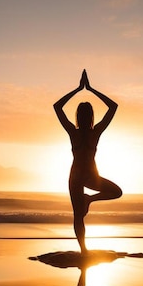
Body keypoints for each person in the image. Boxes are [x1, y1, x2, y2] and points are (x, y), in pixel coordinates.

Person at [54, 70, 122, 253]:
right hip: (87, 175)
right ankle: (84, 249)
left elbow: (57, 107)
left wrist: (78, 89)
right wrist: (90, 89)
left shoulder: (76, 132)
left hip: (79, 175)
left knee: (79, 215)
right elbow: (113, 107)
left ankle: (89, 202)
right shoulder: (93, 132)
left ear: (80, 116)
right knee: (113, 194)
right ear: (90, 116)